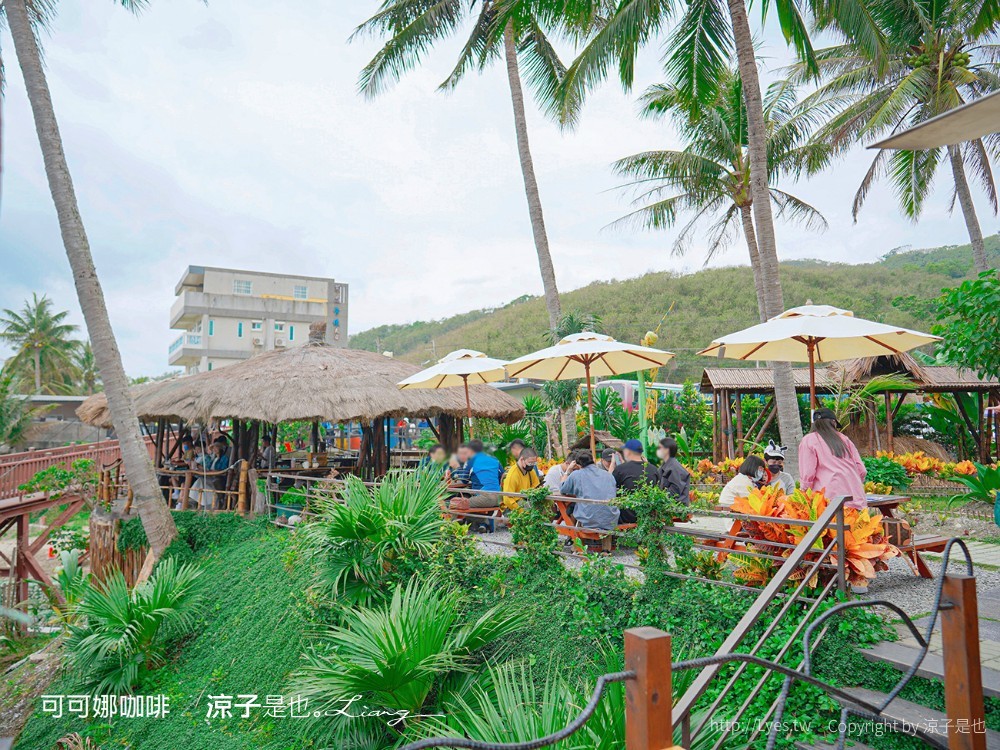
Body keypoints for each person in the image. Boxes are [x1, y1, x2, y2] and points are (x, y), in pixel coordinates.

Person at [799, 408, 868, 509]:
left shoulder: (809, 440)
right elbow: (862, 470)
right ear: (833, 422)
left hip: (828, 502)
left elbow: (807, 474)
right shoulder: (844, 439)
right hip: (856, 499)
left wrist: (804, 494)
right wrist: (854, 485)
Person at [560, 450, 620, 533]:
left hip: (589, 522)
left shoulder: (576, 474)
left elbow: (563, 489)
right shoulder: (608, 475)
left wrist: (568, 471)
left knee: (572, 509)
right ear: (594, 460)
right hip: (611, 521)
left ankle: (573, 536)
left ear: (577, 465)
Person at [612, 439, 658, 523]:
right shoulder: (653, 469)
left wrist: (612, 465)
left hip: (626, 519)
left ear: (628, 452)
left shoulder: (620, 469)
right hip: (648, 518)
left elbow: (608, 488)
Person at [462, 439, 503, 508]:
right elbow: (502, 476)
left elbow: (464, 480)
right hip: (499, 497)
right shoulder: (495, 459)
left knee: (459, 504)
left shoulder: (471, 461)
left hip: (484, 498)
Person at [656, 438, 691, 506]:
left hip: (676, 508)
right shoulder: (665, 466)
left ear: (667, 450)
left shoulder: (675, 468)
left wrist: (658, 498)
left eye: (660, 448)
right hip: (667, 506)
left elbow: (675, 492)